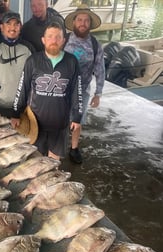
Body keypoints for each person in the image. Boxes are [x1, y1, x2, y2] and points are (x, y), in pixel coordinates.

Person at [12, 21, 83, 161]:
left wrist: (77, 116)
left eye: (58, 37)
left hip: (60, 124)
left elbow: (77, 90)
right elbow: (22, 88)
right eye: (50, 36)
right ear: (43, 40)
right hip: (36, 123)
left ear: (63, 40)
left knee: (53, 164)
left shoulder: (71, 61)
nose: (54, 41)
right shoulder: (33, 61)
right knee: (35, 162)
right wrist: (15, 113)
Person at [64, 5, 105, 164]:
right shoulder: (64, 39)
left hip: (83, 90)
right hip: (62, 88)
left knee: (77, 121)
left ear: (90, 24)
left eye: (86, 20)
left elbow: (100, 69)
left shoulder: (95, 44)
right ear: (74, 22)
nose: (83, 23)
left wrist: (98, 93)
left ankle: (74, 148)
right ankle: (58, 145)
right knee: (60, 118)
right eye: (79, 20)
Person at [0, 11, 34, 118]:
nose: (12, 27)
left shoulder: (28, 47)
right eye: (8, 24)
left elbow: (36, 72)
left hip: (22, 107)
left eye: (16, 24)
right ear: (1, 27)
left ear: (20, 27)